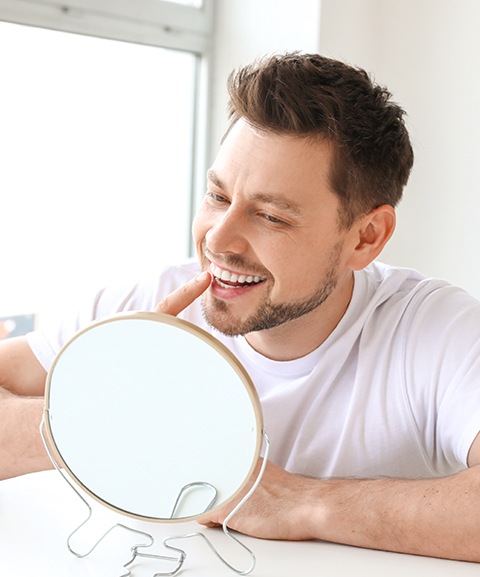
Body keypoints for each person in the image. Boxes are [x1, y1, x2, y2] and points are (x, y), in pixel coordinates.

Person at [2, 52, 480, 562]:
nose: (219, 239)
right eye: (216, 195)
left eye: (271, 217)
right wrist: (105, 417)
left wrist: (301, 504)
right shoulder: (140, 306)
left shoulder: (435, 330)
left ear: (365, 237)